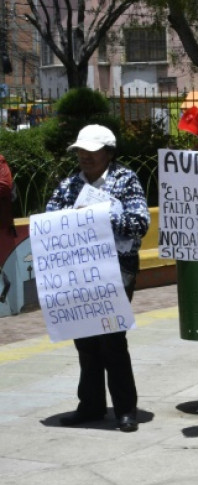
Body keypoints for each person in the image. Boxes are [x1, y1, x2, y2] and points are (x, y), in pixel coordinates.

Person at [46, 124, 150, 433]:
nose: (84, 156)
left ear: (109, 153)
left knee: (112, 339)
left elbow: (139, 223)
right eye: (80, 150)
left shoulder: (125, 179)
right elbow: (50, 217)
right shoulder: (69, 184)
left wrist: (99, 214)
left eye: (91, 151)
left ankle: (125, 409)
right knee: (85, 340)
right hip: (79, 272)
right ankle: (90, 405)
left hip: (116, 269)